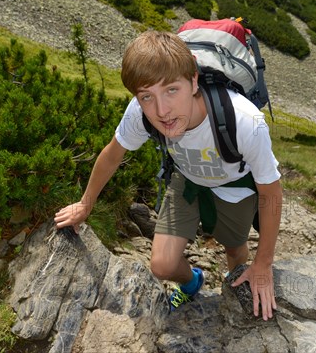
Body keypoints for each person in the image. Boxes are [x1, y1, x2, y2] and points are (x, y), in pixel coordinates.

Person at [54, 30, 282, 321]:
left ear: (193, 82)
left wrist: (263, 264)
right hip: (187, 179)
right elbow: (112, 155)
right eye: (147, 96)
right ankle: (193, 281)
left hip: (234, 185)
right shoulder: (139, 113)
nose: (161, 111)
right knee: (161, 265)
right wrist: (85, 205)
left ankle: (231, 288)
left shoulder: (245, 121)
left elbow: (271, 193)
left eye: (171, 90)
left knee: (235, 251)